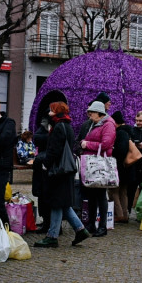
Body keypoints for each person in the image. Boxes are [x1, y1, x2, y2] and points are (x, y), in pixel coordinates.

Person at [34, 102, 92, 248]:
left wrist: (46, 163)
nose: (49, 112)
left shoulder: (58, 127)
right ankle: (80, 230)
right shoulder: (67, 125)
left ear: (57, 112)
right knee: (62, 203)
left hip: (58, 170)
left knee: (57, 202)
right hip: (66, 170)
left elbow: (54, 149)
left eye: (52, 110)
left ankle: (52, 236)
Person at [81, 100, 116, 237]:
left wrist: (87, 144)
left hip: (100, 164)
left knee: (101, 196)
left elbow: (106, 144)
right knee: (91, 195)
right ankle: (91, 223)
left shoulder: (108, 125)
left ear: (99, 113)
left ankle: (102, 226)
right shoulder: (96, 124)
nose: (90, 116)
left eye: (92, 113)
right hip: (92, 164)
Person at [109, 111, 135, 224]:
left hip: (119, 167)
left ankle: (119, 215)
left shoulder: (120, 133)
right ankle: (125, 214)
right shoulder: (129, 132)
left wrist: (112, 152)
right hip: (128, 167)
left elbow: (120, 151)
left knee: (114, 192)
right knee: (123, 192)